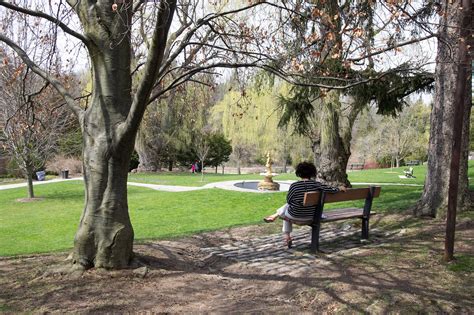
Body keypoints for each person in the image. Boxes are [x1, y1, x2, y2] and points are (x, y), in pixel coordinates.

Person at [263, 161, 346, 248]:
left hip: (295, 215)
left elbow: (289, 200)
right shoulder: (317, 185)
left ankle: (286, 235)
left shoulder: (295, 186)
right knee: (288, 208)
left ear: (299, 173)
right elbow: (332, 190)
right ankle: (276, 216)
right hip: (313, 215)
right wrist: (339, 188)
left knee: (286, 212)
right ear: (312, 173)